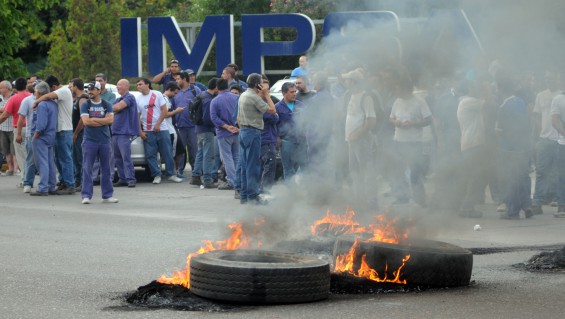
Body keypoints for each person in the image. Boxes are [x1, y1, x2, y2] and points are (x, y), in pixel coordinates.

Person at [389, 67, 432, 207]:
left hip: (414, 142)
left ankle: (420, 200)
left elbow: (428, 119)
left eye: (398, 89)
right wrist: (396, 122)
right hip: (398, 141)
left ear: (406, 89)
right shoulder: (397, 102)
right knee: (398, 171)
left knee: (415, 172)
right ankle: (402, 197)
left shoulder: (419, 102)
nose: (396, 91)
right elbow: (391, 118)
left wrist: (413, 123)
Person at [495, 73, 533, 219]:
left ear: (500, 88)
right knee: (523, 177)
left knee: (510, 178)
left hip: (508, 149)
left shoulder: (503, 107)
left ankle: (512, 211)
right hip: (524, 147)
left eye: (497, 88)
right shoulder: (521, 102)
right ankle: (527, 205)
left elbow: (499, 132)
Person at [237, 73, 277, 204]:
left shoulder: (243, 94)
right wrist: (266, 95)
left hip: (243, 130)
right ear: (257, 85)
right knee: (253, 166)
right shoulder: (254, 97)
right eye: (261, 83)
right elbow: (272, 110)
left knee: (244, 165)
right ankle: (253, 197)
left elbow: (237, 118)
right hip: (252, 132)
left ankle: (244, 196)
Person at [33, 75, 76, 195]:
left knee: (65, 158)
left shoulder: (63, 91)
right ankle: (63, 181)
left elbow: (46, 95)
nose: (50, 92)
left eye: (50, 89)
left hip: (64, 130)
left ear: (54, 87)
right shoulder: (58, 96)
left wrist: (37, 101)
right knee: (58, 159)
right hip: (58, 131)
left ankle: (70, 184)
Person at [136, 78, 183, 184]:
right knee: (150, 155)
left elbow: (165, 111)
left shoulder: (156, 94)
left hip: (161, 128)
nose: (138, 86)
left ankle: (171, 174)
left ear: (147, 84)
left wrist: (158, 124)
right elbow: (137, 116)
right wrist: (140, 131)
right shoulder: (138, 99)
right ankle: (156, 175)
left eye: (140, 84)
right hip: (148, 131)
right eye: (137, 84)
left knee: (167, 152)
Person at [342, 69, 378, 209]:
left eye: (348, 80)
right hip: (351, 141)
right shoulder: (350, 96)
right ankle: (360, 200)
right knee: (355, 171)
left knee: (367, 170)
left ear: (353, 82)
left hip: (362, 140)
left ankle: (372, 202)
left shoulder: (366, 97)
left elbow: (371, 121)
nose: (345, 82)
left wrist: (358, 133)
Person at [79, 81, 118, 204]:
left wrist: (94, 119)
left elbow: (111, 121)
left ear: (99, 91)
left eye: (92, 89)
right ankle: (86, 195)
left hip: (105, 141)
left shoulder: (107, 105)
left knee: (106, 168)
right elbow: (86, 122)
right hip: (90, 141)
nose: (89, 91)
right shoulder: (85, 105)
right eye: (88, 89)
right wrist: (103, 120)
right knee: (87, 168)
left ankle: (107, 195)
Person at [456, 78, 488, 218]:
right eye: (474, 87)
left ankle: (466, 205)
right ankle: (467, 206)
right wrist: (487, 88)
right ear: (469, 89)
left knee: (474, 176)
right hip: (473, 144)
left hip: (471, 144)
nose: (477, 90)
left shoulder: (465, 102)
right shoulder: (468, 101)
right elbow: (489, 104)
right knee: (475, 177)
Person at [531, 71, 560, 215]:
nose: (549, 80)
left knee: (558, 172)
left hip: (560, 140)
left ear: (558, 78)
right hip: (544, 139)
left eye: (552, 77)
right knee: (541, 172)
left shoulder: (562, 95)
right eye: (547, 78)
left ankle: (558, 199)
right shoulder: (540, 95)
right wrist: (539, 134)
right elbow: (537, 117)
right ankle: (537, 201)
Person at [210, 78, 239, 190]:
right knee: (236, 157)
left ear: (217, 88)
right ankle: (238, 180)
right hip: (236, 131)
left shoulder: (215, 101)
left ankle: (232, 181)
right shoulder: (237, 98)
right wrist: (237, 127)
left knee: (227, 158)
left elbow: (214, 118)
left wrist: (226, 126)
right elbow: (242, 113)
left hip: (223, 132)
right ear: (227, 86)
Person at [29, 81, 58, 196]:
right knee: (50, 161)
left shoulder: (42, 105)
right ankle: (51, 186)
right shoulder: (53, 104)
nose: (34, 93)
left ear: (40, 92)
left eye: (35, 91)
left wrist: (36, 135)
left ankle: (43, 187)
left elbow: (41, 124)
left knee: (42, 162)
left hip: (42, 136)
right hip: (51, 135)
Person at [0, 78, 30, 183]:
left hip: (19, 129)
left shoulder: (13, 99)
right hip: (33, 129)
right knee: (30, 155)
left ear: (15, 87)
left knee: (21, 156)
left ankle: (25, 180)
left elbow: (4, 115)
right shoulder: (32, 97)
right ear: (26, 85)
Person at [112, 79, 140, 188]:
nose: (117, 87)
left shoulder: (129, 97)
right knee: (117, 158)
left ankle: (131, 179)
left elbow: (117, 107)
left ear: (126, 87)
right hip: (115, 132)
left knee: (126, 158)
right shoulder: (118, 99)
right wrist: (113, 108)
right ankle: (122, 179)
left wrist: (112, 108)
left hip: (124, 132)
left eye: (119, 85)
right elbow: (113, 109)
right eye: (117, 85)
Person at [275, 82, 306, 182]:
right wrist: (277, 137)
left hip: (300, 141)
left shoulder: (301, 105)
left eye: (295, 91)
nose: (294, 94)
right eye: (291, 92)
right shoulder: (277, 107)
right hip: (286, 142)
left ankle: (301, 191)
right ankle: (290, 192)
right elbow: (274, 124)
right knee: (288, 168)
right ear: (284, 93)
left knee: (302, 167)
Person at [191, 78, 219, 188]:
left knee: (201, 152)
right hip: (207, 130)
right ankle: (207, 180)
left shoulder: (202, 94)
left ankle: (196, 176)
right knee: (208, 155)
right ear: (216, 87)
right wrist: (216, 124)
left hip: (199, 129)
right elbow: (207, 118)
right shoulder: (209, 100)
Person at [173, 70, 200, 177]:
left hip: (193, 126)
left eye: (178, 79)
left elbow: (200, 105)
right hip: (180, 125)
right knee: (181, 150)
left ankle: (196, 170)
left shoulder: (195, 90)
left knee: (194, 149)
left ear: (184, 79)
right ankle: (180, 170)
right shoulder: (176, 92)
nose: (176, 81)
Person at [16, 81, 38, 193]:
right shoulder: (27, 100)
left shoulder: (47, 99)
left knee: (48, 160)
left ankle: (48, 183)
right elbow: (21, 118)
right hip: (31, 134)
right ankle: (28, 182)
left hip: (45, 136)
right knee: (31, 159)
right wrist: (19, 134)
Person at [70, 78, 89, 190]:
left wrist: (76, 133)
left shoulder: (83, 99)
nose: (70, 89)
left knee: (81, 159)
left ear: (76, 87)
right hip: (76, 132)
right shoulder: (76, 99)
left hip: (81, 132)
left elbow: (83, 118)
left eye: (71, 86)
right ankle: (77, 180)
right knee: (76, 158)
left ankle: (83, 182)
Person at [0, 80, 18, 176]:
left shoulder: (13, 97)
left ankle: (15, 170)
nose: (0, 90)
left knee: (14, 149)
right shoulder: (0, 98)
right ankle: (10, 169)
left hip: (12, 127)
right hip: (2, 127)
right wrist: (4, 111)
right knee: (6, 149)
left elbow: (13, 111)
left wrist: (3, 110)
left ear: (6, 88)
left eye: (1, 88)